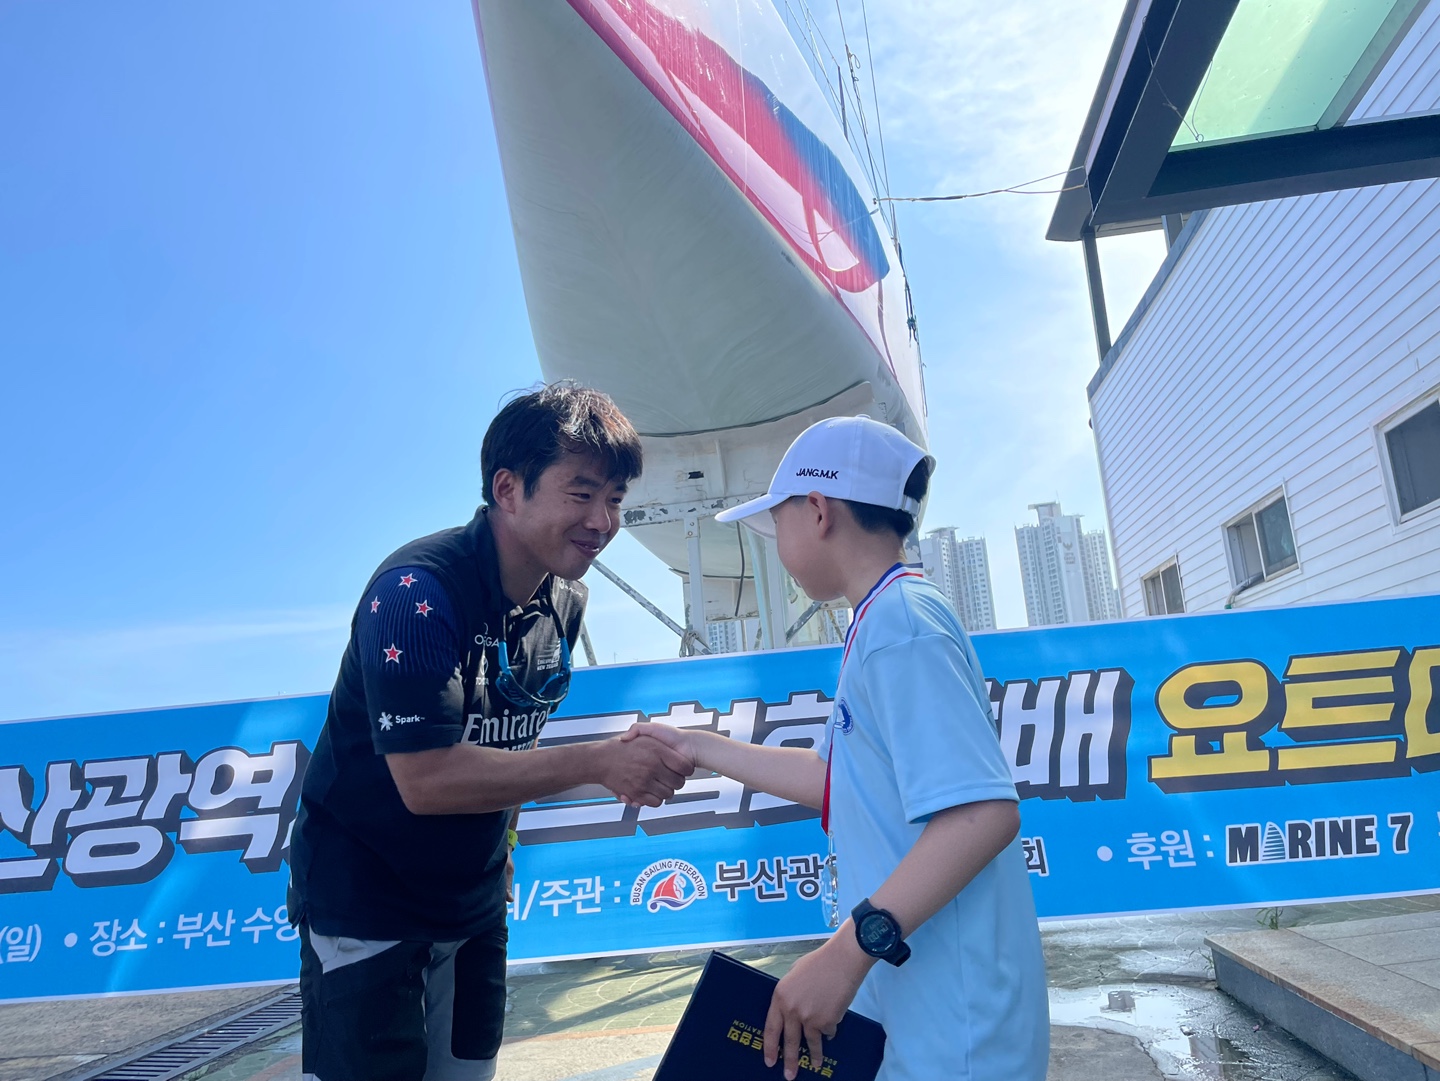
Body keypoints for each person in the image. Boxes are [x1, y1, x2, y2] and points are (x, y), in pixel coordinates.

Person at [288, 382, 693, 1081]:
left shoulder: (564, 598)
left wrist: (503, 845)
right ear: (508, 489)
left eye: (616, 499)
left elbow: (515, 733)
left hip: (474, 904)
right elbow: (426, 779)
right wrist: (599, 762)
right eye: (581, 492)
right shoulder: (413, 592)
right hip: (366, 900)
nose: (602, 521)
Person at [625, 416, 1049, 1081]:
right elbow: (834, 778)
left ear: (818, 511)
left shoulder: (901, 627)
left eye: (778, 523)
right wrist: (698, 747)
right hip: (926, 1014)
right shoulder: (885, 618)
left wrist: (846, 953)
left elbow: (983, 813)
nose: (777, 545)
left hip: (956, 1031)